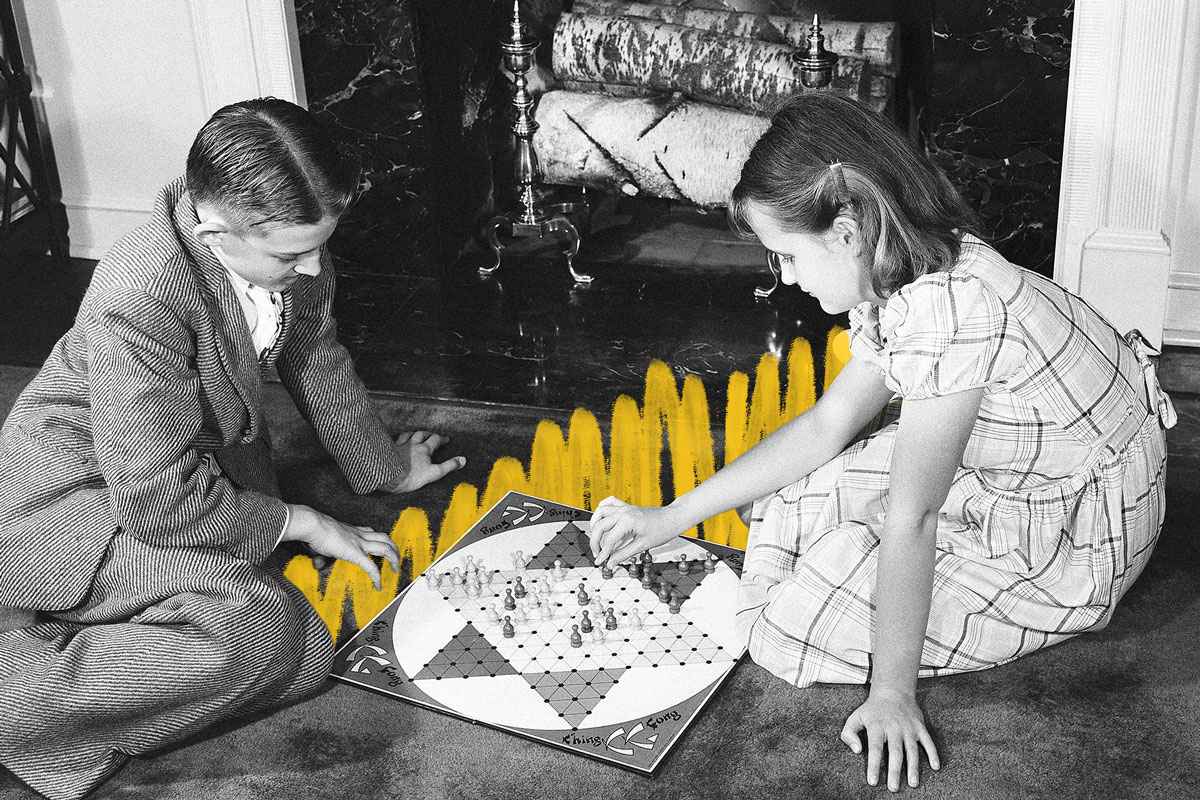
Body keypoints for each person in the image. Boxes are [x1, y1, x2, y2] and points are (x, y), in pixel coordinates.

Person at [588, 93, 1175, 793]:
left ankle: (847, 581)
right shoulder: (903, 265)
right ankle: (847, 568)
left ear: (846, 231)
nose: (787, 279)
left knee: (783, 634)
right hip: (1014, 465)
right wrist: (667, 518)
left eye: (787, 256)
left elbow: (914, 514)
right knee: (793, 496)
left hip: (1079, 530)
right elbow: (826, 427)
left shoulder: (952, 309)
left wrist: (891, 693)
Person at [0, 98, 465, 800]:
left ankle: (45, 627)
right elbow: (155, 495)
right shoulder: (140, 289)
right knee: (262, 626)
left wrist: (388, 468)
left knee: (274, 632)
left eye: (319, 244)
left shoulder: (287, 248)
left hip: (166, 478)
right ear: (214, 227)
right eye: (290, 254)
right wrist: (302, 522)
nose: (312, 269)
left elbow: (315, 356)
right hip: (76, 497)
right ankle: (18, 693)